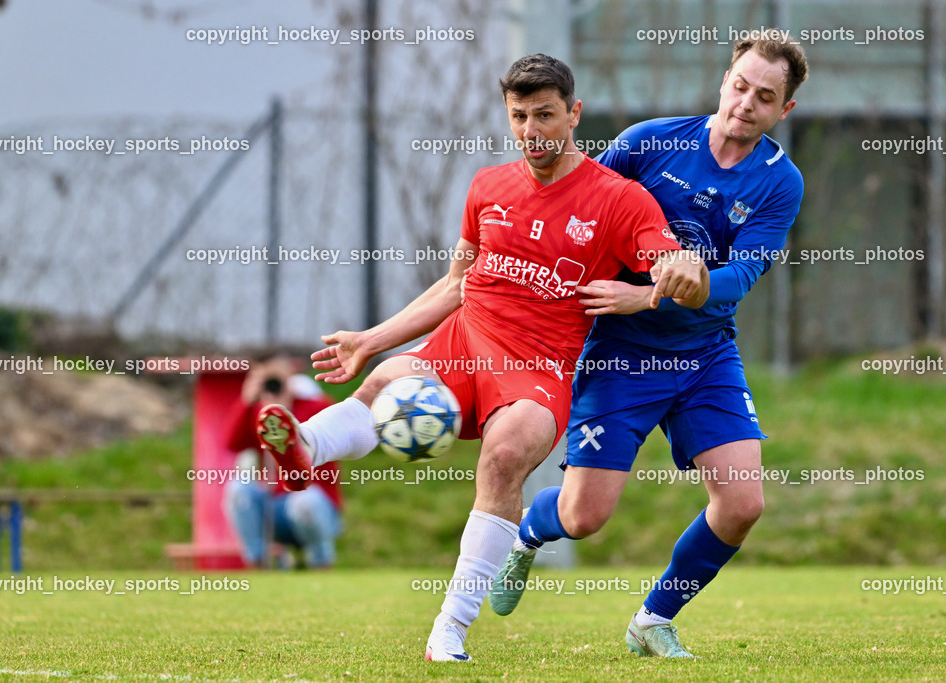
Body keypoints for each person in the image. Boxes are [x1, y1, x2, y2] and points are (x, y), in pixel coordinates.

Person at [255, 53, 709, 661]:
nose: (532, 131)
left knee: (507, 452)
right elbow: (454, 287)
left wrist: (672, 270)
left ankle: (449, 630)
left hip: (540, 369)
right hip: (466, 344)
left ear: (574, 115)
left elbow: (664, 260)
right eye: (519, 116)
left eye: (545, 115)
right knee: (390, 379)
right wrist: (370, 340)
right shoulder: (488, 187)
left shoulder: (618, 200)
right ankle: (305, 448)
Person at [490, 33, 809, 659]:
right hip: (622, 356)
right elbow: (579, 212)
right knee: (583, 519)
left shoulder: (780, 182)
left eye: (765, 97)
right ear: (724, 81)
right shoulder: (648, 142)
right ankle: (528, 534)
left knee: (743, 502)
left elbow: (741, 276)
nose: (746, 103)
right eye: (740, 86)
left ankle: (653, 619)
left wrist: (656, 294)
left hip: (705, 354)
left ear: (783, 111)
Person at [223, 353, 342, 569]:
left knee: (305, 501)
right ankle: (257, 563)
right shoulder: (257, 412)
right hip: (272, 506)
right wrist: (246, 401)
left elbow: (335, 435)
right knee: (239, 490)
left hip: (313, 505)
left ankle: (321, 563)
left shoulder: (314, 406)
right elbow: (231, 443)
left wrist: (285, 410)